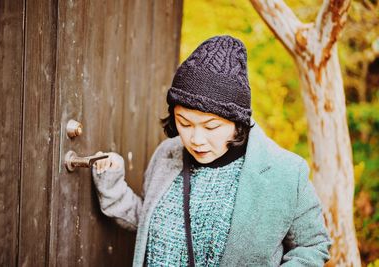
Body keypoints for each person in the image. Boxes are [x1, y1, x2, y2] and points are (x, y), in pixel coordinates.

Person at [92, 35, 332, 266]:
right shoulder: (167, 154)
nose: (196, 139)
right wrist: (111, 184)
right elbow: (147, 221)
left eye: (211, 126)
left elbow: (313, 245)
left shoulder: (285, 172)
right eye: (184, 123)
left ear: (238, 122)